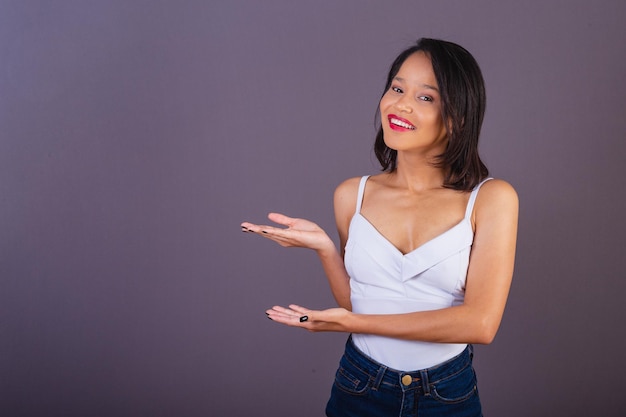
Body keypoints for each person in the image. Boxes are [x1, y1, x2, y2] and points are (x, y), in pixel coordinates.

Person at [241, 38, 518, 417]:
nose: (400, 104)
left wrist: (352, 324)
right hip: (359, 384)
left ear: (459, 116)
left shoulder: (491, 198)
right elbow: (357, 302)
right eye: (397, 88)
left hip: (445, 393)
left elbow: (481, 324)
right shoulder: (351, 195)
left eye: (426, 97)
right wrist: (324, 248)